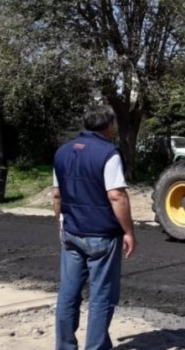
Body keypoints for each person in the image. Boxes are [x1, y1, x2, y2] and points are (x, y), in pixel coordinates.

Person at [53, 105, 136, 350]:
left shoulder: (63, 152)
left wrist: (60, 222)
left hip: (71, 232)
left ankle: (65, 346)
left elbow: (57, 195)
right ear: (109, 126)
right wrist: (129, 232)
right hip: (102, 236)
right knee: (102, 297)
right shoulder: (109, 153)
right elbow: (117, 196)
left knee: (68, 294)